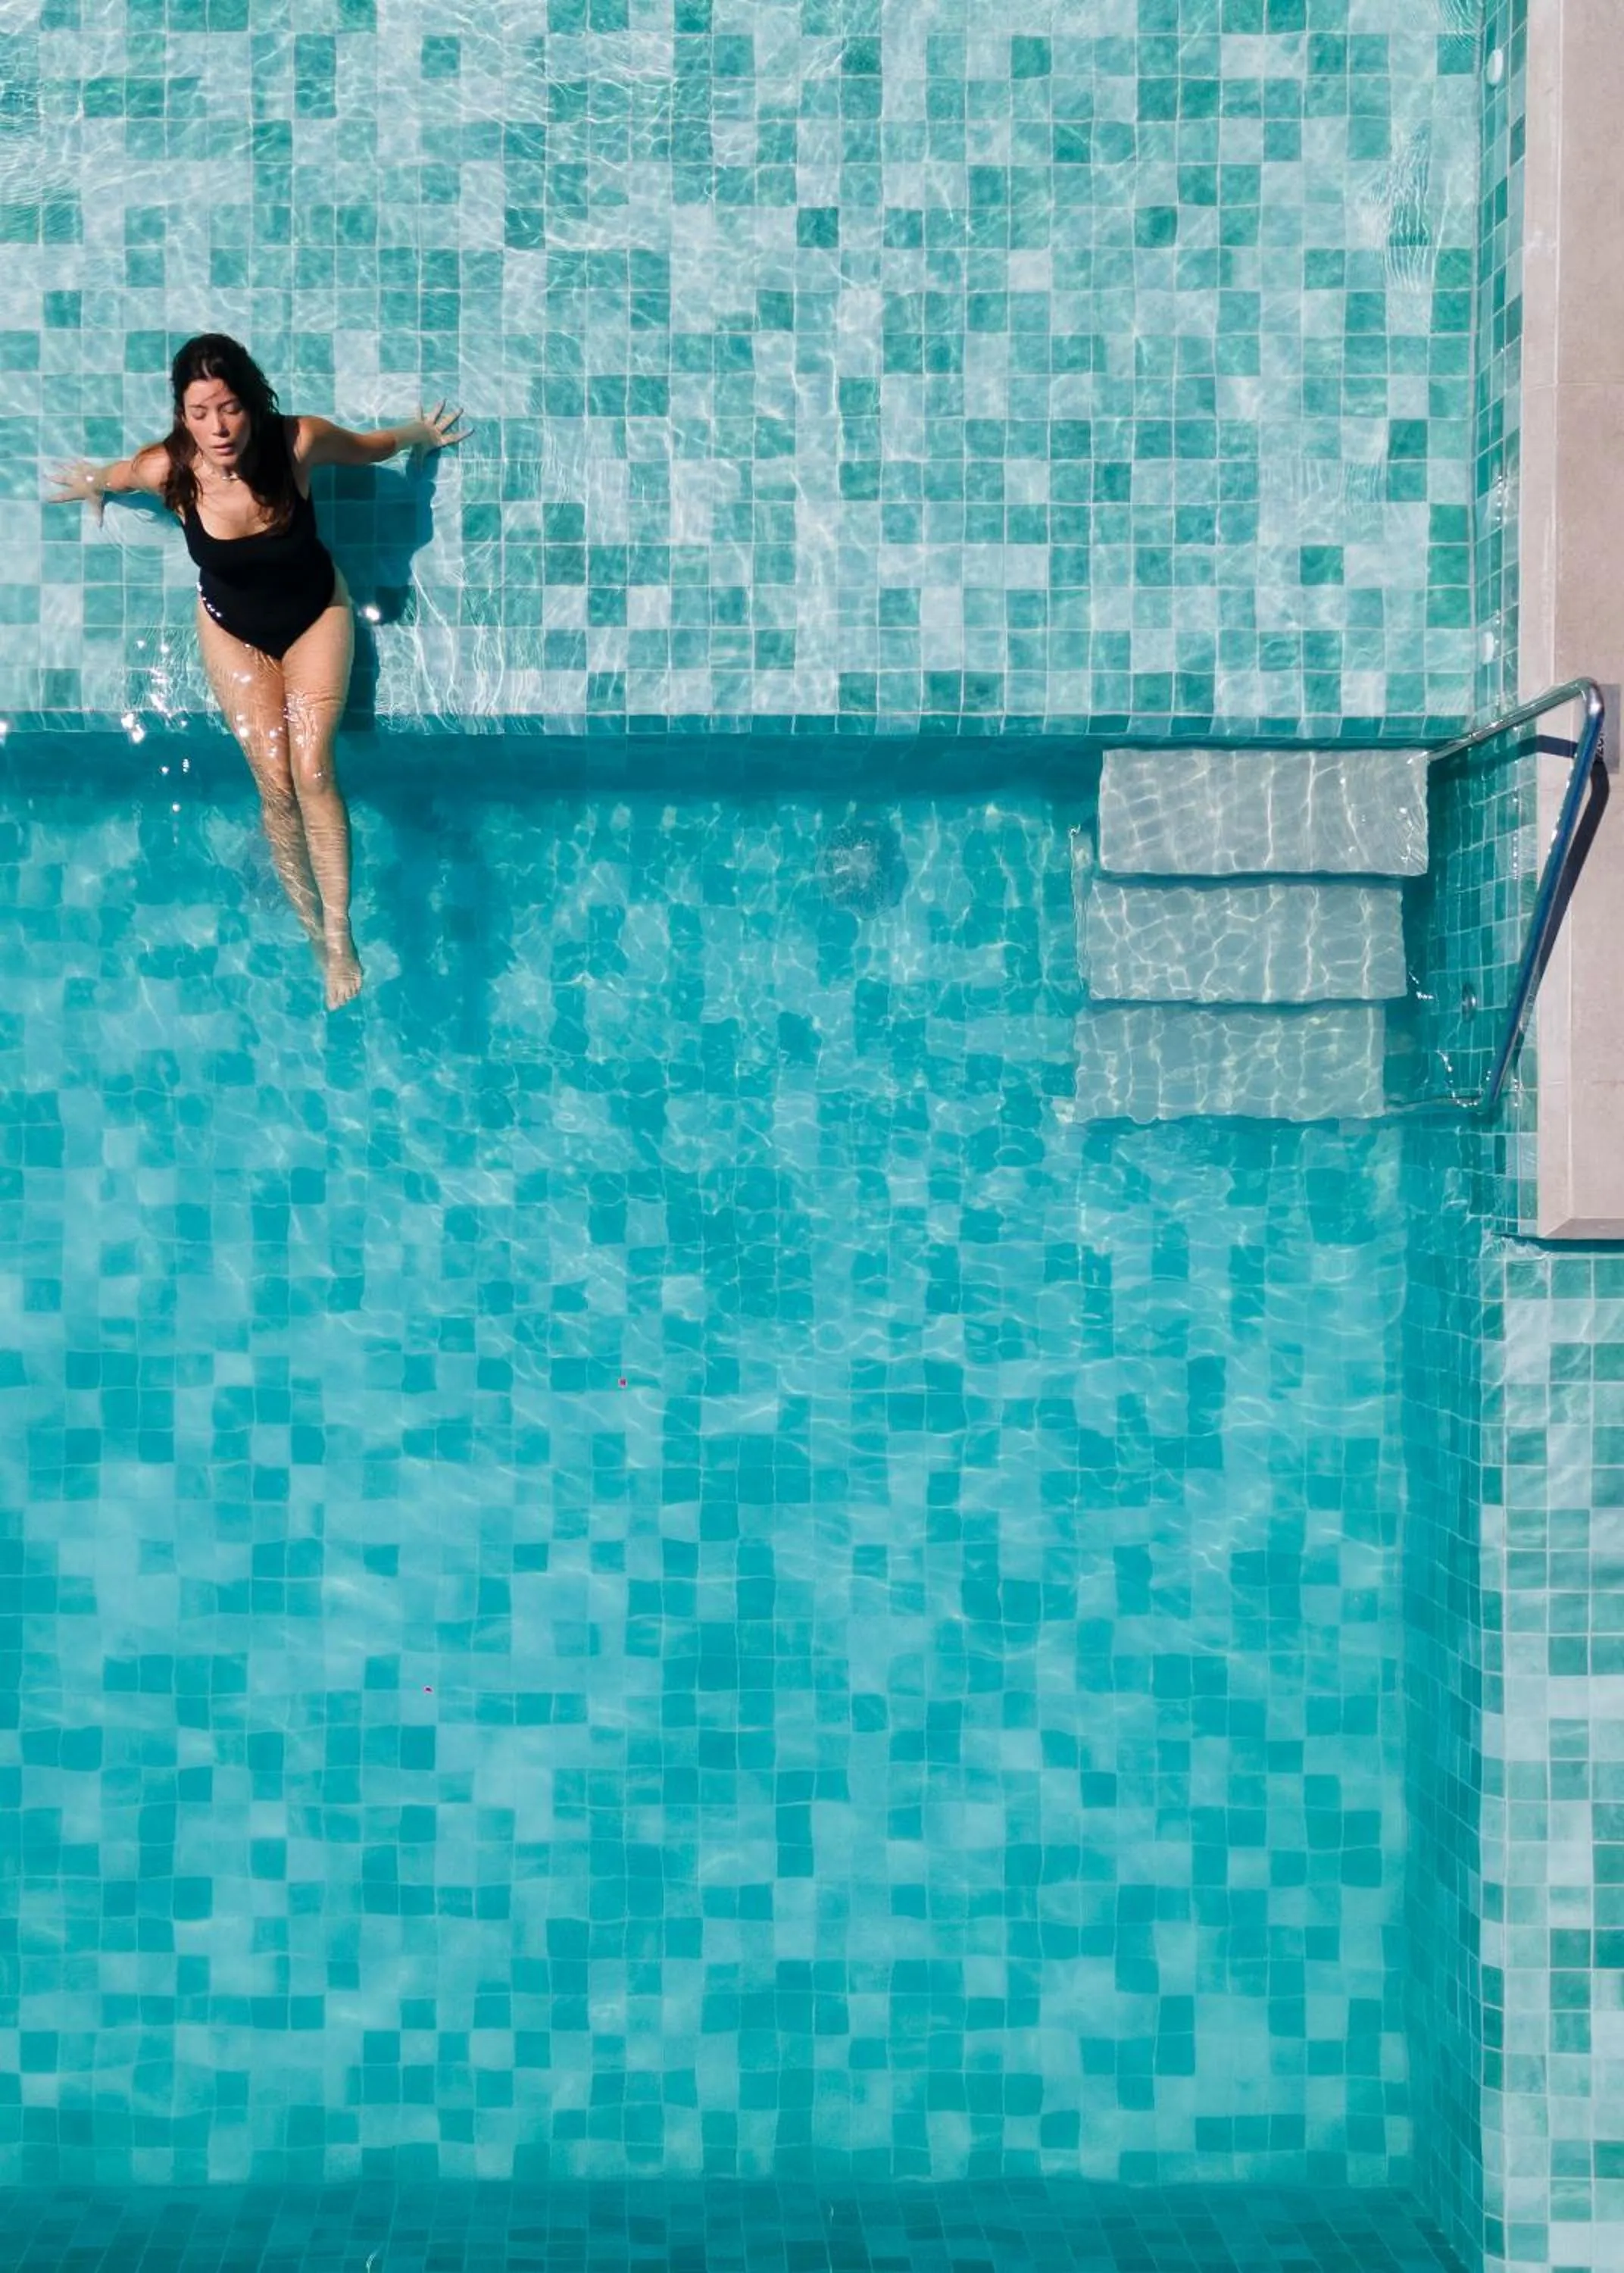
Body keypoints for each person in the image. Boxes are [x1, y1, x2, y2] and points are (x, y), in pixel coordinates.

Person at [46, 333, 469, 1009]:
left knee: (315, 771)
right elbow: (121, 474)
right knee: (275, 787)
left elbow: (370, 447)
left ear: (254, 401)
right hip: (231, 630)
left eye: (231, 407)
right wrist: (94, 484)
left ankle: (341, 934)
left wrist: (420, 434)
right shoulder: (168, 471)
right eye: (200, 411)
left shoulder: (297, 443)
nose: (219, 428)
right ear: (182, 415)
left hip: (314, 618)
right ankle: (314, 938)